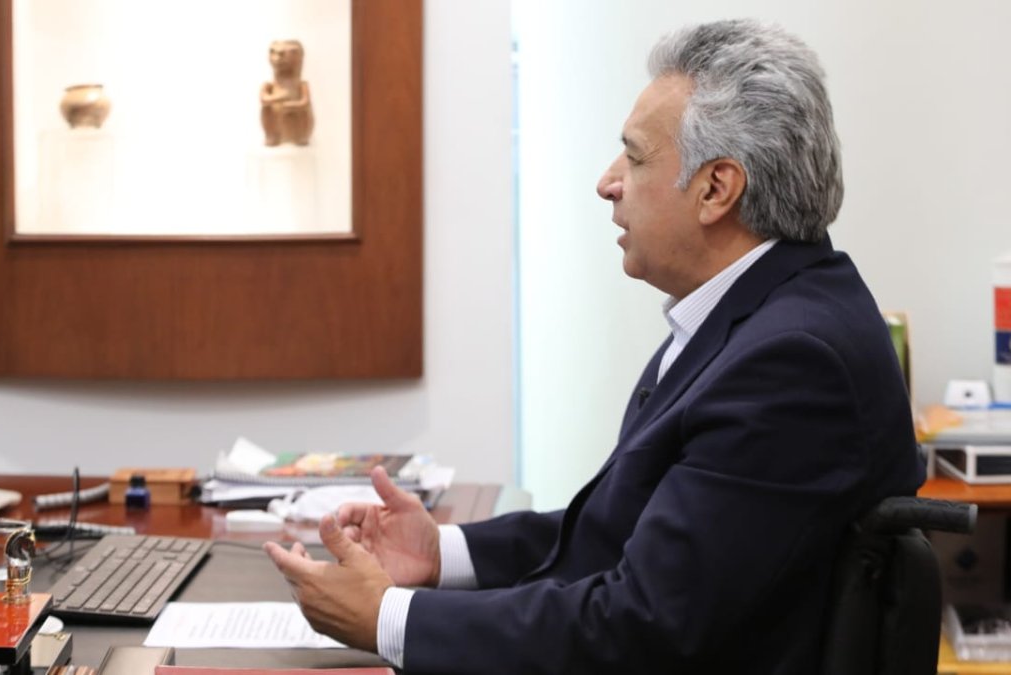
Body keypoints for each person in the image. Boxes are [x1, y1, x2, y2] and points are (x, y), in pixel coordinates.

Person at [265, 19, 923, 674]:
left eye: (635, 158)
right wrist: (442, 551)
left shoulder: (793, 364)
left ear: (716, 189)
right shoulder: (770, 317)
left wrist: (388, 618)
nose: (607, 182)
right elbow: (619, 535)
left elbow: (642, 626)